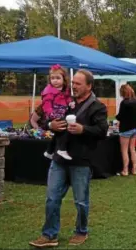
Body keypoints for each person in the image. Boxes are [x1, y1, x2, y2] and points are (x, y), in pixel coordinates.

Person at [29, 69, 108, 247]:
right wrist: (51, 124)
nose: (73, 87)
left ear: (89, 86)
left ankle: (81, 231)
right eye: (73, 83)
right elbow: (40, 118)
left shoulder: (98, 107)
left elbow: (103, 131)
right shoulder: (63, 99)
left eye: (78, 84)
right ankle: (49, 235)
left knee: (80, 201)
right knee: (52, 198)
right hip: (59, 160)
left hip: (81, 161)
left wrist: (83, 130)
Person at [42, 64, 74, 160]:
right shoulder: (49, 91)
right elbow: (46, 104)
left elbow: (67, 98)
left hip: (62, 111)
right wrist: (50, 113)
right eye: (52, 78)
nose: (55, 80)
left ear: (64, 79)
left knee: (58, 133)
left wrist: (70, 103)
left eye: (58, 78)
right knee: (65, 128)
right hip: (54, 113)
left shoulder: (65, 90)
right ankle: (62, 149)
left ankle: (49, 151)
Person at [116, 84, 136, 176]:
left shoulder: (124, 103)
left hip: (126, 129)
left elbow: (120, 116)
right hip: (135, 128)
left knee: (124, 150)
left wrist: (116, 116)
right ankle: (134, 169)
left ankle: (125, 170)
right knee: (132, 149)